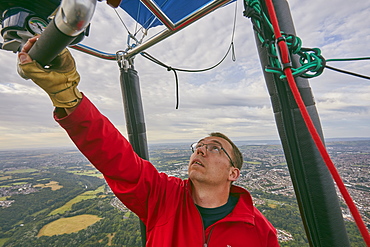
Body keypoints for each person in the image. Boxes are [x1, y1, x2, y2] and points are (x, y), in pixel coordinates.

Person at [17, 36, 280, 247]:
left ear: (233, 172)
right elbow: (116, 158)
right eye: (199, 145)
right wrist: (68, 97)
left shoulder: (259, 231)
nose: (201, 149)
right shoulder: (163, 196)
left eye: (214, 148)